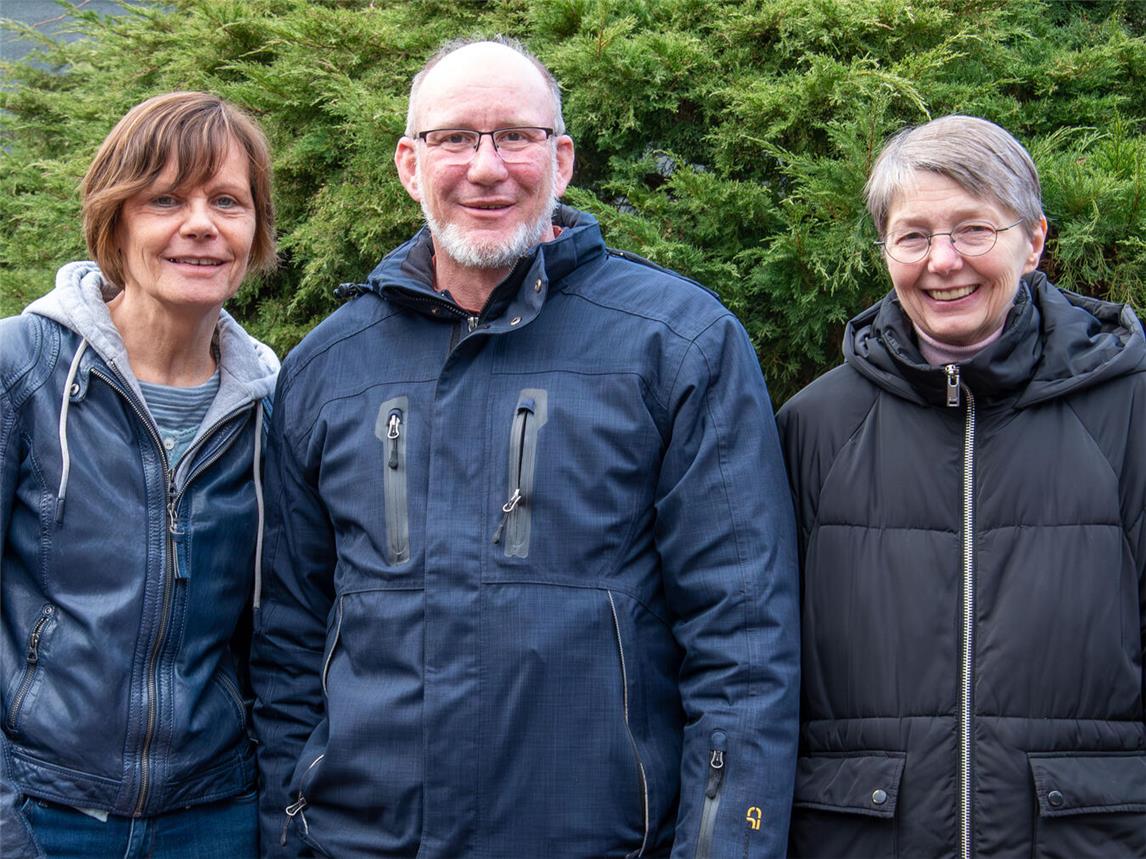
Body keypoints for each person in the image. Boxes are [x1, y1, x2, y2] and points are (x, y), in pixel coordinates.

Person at [252, 36, 799, 859]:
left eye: (515, 135)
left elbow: (744, 644)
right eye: (454, 139)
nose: (486, 166)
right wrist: (289, 835)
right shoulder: (328, 367)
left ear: (562, 158)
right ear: (409, 163)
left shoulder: (678, 344)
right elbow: (289, 642)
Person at [777, 114, 1146, 858]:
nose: (943, 262)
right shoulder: (816, 425)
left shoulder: (1131, 409)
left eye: (974, 230)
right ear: (885, 249)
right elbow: (761, 662)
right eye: (913, 236)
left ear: (1034, 240)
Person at [0, 91, 279, 858]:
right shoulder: (20, 369)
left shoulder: (272, 404)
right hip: (44, 809)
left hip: (215, 813)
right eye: (165, 199)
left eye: (228, 200)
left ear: (254, 229)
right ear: (116, 220)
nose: (200, 224)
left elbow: (278, 634)